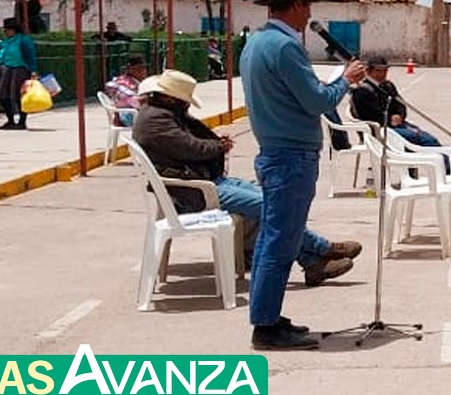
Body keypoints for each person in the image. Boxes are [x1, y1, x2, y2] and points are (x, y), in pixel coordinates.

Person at [132, 69, 360, 286]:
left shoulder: (162, 113)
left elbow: (190, 143)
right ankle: (322, 249)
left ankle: (312, 261)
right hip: (193, 192)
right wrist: (218, 146)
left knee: (269, 197)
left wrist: (215, 144)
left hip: (203, 181)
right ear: (171, 99)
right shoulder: (155, 121)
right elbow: (192, 148)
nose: (186, 105)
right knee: (269, 205)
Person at [239, 0, 366, 352]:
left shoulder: (255, 44)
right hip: (291, 156)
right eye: (307, 5)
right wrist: (346, 81)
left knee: (270, 241)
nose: (309, 12)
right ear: (295, 6)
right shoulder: (285, 47)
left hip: (274, 151)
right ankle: (266, 327)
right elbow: (317, 101)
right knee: (281, 243)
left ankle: (268, 317)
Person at [350, 54, 451, 181]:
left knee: (427, 137)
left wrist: (399, 115)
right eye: (378, 71)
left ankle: (449, 173)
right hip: (379, 131)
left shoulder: (387, 86)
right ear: (368, 71)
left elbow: (401, 105)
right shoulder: (362, 91)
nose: (382, 74)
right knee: (425, 139)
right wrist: (389, 120)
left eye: (385, 71)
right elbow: (371, 116)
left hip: (395, 126)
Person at [0, 17, 38, 130]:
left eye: (7, 30)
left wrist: (33, 71)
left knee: (19, 97)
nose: (5, 32)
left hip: (19, 70)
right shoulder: (5, 42)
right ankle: (10, 120)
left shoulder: (24, 40)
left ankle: (22, 121)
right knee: (3, 96)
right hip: (4, 70)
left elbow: (30, 56)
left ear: (13, 30)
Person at [104, 55, 148, 126]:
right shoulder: (124, 83)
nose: (142, 71)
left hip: (138, 113)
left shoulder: (140, 83)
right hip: (128, 115)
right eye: (138, 69)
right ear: (130, 70)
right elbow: (134, 101)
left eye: (143, 68)